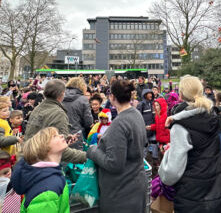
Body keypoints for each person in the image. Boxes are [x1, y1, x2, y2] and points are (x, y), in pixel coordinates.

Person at [159, 76, 221, 213]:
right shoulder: (212, 116)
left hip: (191, 196)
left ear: (180, 95)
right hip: (215, 191)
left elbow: (170, 174)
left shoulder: (180, 127)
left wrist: (167, 157)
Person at [87, 80, 147, 213]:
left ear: (112, 97)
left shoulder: (119, 123)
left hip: (121, 193)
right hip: (136, 186)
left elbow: (114, 163)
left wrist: (93, 151)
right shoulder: (136, 114)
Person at [25, 79, 86, 164]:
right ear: (62, 94)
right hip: (42, 163)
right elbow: (61, 151)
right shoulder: (58, 113)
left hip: (28, 158)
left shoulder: (38, 108)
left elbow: (40, 134)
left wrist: (64, 137)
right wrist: (86, 156)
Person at [11, 127, 70, 213]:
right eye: (54, 136)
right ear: (43, 148)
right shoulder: (46, 193)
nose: (61, 136)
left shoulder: (49, 174)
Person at [62, 77, 93, 150]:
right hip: (76, 136)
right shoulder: (82, 99)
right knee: (75, 159)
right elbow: (88, 122)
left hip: (61, 135)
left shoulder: (61, 97)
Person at [146, 98, 170, 162]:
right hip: (160, 140)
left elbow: (168, 128)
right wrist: (151, 127)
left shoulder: (165, 116)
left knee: (166, 157)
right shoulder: (157, 116)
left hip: (166, 141)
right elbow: (157, 125)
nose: (156, 107)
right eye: (155, 105)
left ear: (162, 105)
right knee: (162, 155)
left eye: (157, 105)